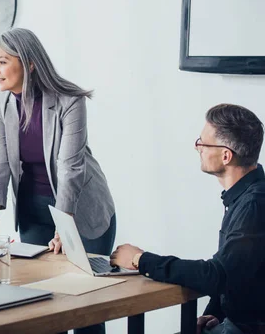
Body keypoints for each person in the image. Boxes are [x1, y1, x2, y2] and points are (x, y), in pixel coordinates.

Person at [0, 28, 115, 334]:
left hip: (82, 212)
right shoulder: (2, 102)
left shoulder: (69, 100)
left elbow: (70, 168)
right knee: (40, 304)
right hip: (33, 209)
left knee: (85, 308)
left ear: (29, 63)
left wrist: (64, 229)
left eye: (2, 61)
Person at [111, 104, 265, 334]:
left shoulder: (253, 204)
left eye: (203, 142)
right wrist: (215, 313)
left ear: (226, 155)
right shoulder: (246, 196)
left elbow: (217, 274)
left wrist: (140, 260)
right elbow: (234, 270)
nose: (197, 148)